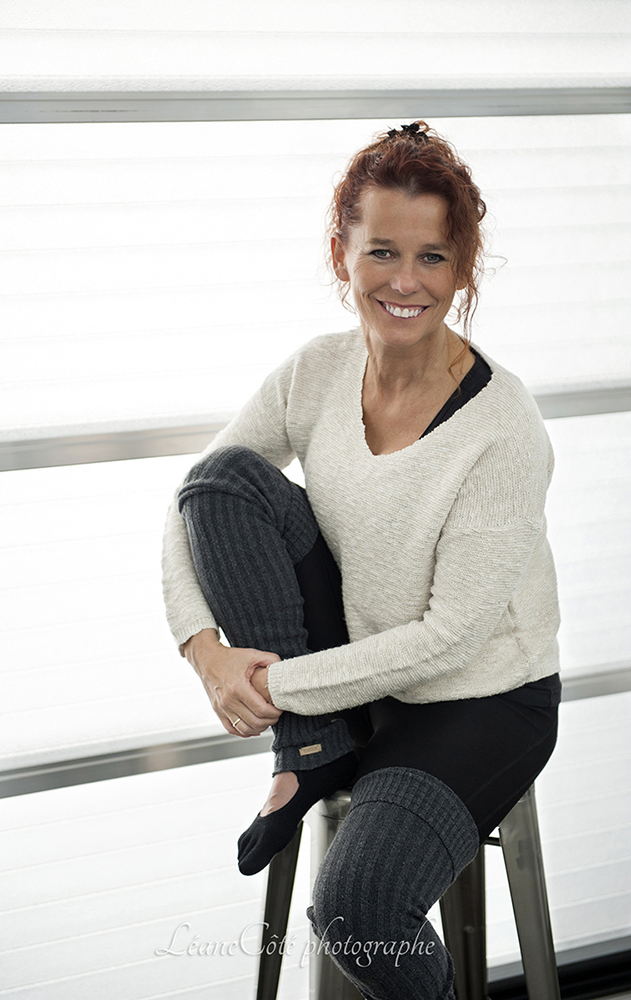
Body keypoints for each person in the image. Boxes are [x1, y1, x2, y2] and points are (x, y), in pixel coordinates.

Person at [162, 121, 561, 999]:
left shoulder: (504, 429)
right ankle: (313, 745)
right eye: (382, 251)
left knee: (360, 910)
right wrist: (204, 651)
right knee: (222, 481)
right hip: (356, 669)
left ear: (463, 269)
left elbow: (451, 638)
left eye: (432, 257)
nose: (404, 282)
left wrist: (272, 686)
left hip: (477, 700)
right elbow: (192, 503)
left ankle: (309, 738)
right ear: (341, 253)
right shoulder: (315, 372)